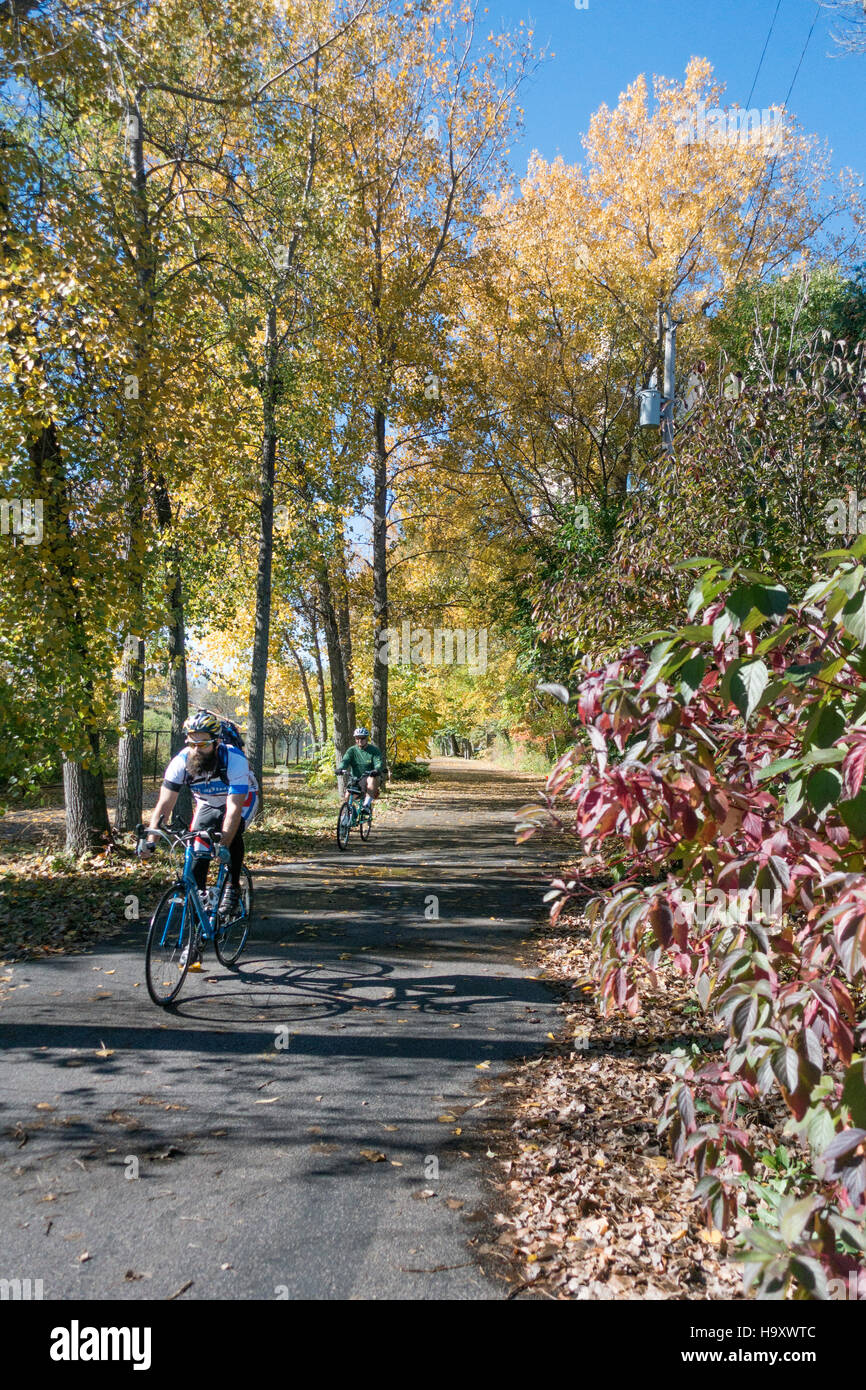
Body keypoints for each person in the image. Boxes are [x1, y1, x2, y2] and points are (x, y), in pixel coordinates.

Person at [138, 711, 259, 961]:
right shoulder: (181, 761)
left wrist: (223, 842)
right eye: (191, 743)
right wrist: (151, 840)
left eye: (202, 744)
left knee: (233, 831)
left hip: (240, 798)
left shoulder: (234, 759)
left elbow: (234, 809)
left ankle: (233, 886)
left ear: (216, 743)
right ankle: (195, 938)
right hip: (206, 802)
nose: (196, 749)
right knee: (195, 867)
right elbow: (164, 805)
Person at [338, 726, 383, 808]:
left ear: (366, 739)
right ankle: (346, 816)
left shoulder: (374, 750)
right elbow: (345, 761)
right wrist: (341, 768)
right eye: (357, 738)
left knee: (371, 779)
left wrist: (376, 769)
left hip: (370, 776)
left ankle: (366, 805)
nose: (360, 740)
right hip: (356, 779)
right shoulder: (352, 750)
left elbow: (378, 762)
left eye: (362, 738)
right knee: (347, 797)